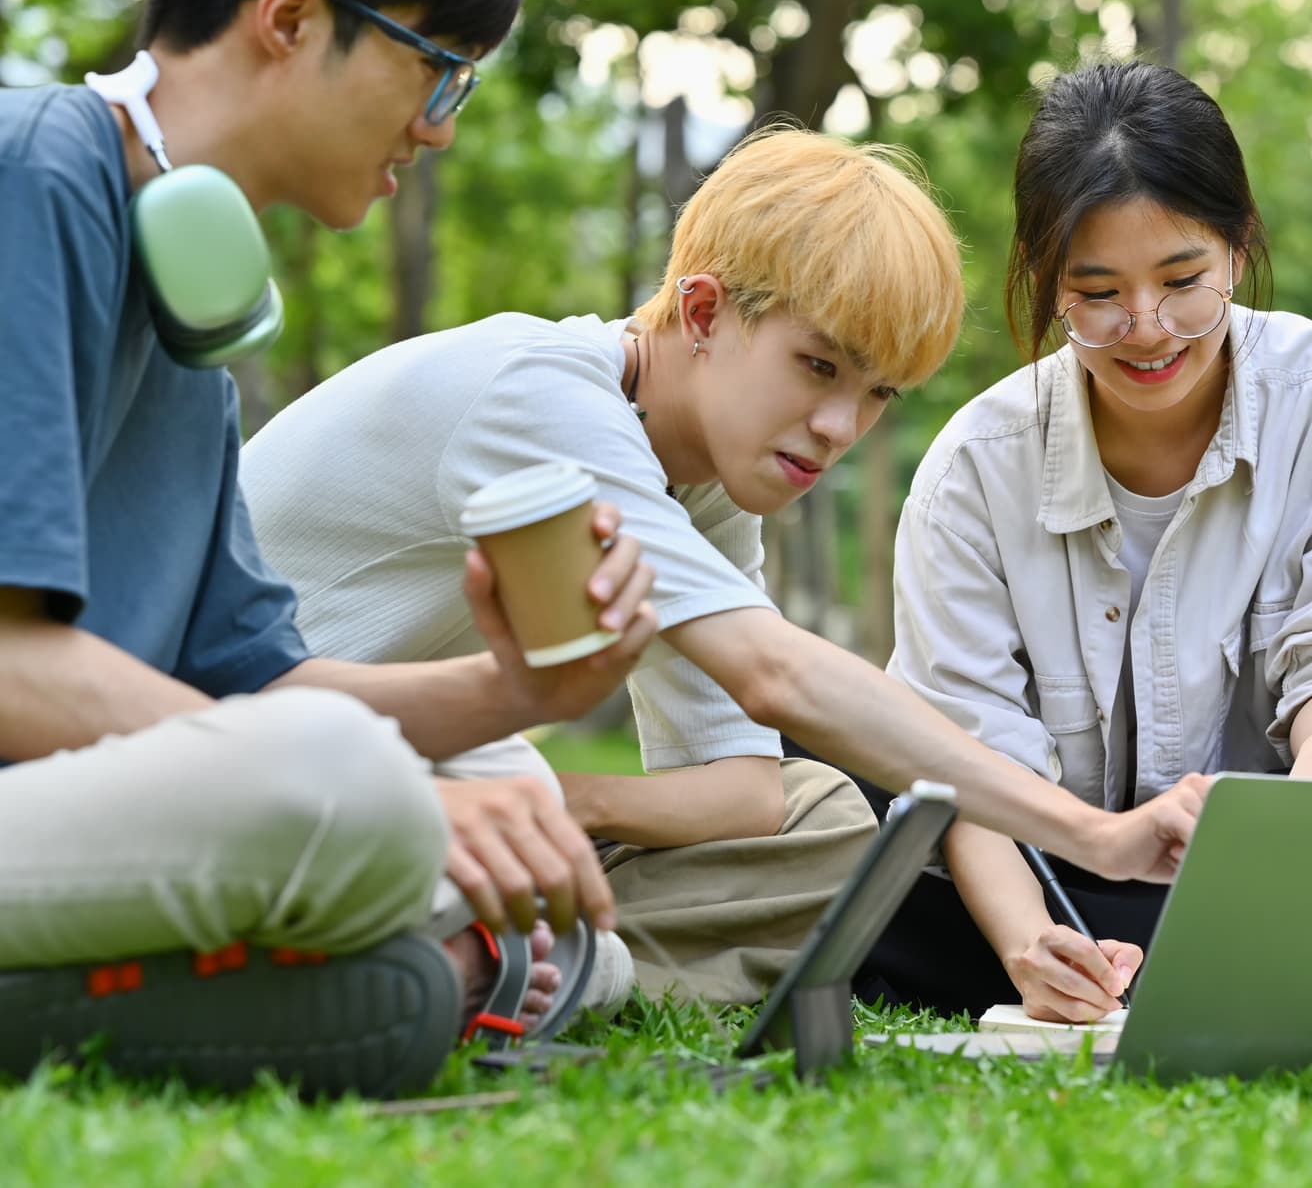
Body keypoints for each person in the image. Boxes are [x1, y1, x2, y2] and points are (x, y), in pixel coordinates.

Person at [240, 124, 1215, 1003]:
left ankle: (507, 941)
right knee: (811, 824)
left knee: (825, 821)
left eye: (877, 393)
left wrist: (560, 802)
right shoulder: (539, 397)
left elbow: (743, 792)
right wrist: (1089, 832)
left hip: (418, 776)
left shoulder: (704, 479)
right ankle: (513, 954)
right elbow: (773, 675)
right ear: (702, 313)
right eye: (818, 366)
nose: (839, 427)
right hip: (242, 760)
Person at [0, 0, 665, 1095]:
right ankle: (411, 965)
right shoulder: (35, 180)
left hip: (105, 820)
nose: (439, 129)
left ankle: (399, 977)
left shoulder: (200, 305)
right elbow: (14, 664)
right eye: (438, 71)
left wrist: (515, 690)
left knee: (514, 815)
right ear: (292, 19)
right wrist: (399, 806)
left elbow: (265, 686)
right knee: (349, 781)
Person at [863, 61, 1312, 1022]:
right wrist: (1028, 948)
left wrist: (1302, 832)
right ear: (1045, 280)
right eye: (1097, 293)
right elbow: (965, 753)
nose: (1146, 329)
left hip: (1272, 869)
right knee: (868, 847)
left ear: (1238, 246)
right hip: (1036, 881)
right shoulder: (974, 469)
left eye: (1182, 282)